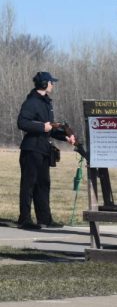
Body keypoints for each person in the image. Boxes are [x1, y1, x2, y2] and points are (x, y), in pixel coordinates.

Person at [16, 71, 76, 230]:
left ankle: (45, 219)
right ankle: (24, 219)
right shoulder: (32, 102)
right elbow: (22, 122)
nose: (53, 85)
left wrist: (66, 137)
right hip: (31, 149)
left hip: (43, 149)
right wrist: (42, 126)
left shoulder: (46, 103)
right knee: (29, 185)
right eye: (51, 82)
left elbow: (50, 129)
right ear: (44, 84)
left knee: (43, 184)